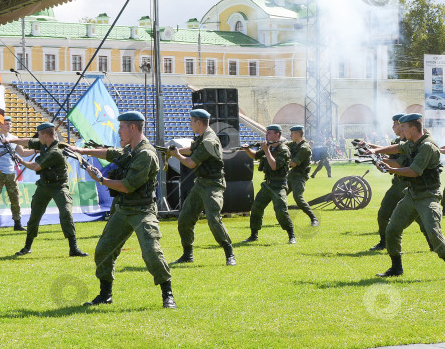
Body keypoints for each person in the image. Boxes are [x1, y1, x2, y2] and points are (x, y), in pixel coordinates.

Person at [71, 111, 176, 309]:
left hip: (142, 210)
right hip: (122, 209)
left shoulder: (146, 154)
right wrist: (82, 152)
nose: (118, 132)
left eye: (121, 127)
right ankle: (105, 294)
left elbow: (127, 185)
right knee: (103, 250)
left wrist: (101, 180)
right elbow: (112, 153)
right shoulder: (131, 149)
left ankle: (167, 294)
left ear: (133, 128)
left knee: (151, 252)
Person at [369, 113, 445, 280]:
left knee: (434, 233)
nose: (401, 130)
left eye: (404, 127)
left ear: (413, 129)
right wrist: (375, 150)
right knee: (392, 230)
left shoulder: (427, 146)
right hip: (412, 195)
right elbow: (399, 148)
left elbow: (414, 171)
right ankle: (396, 268)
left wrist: (390, 169)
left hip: (428, 197)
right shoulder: (413, 143)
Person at [7, 123, 88, 257]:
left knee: (66, 213)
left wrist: (20, 160)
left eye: (39, 134)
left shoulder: (55, 151)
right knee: (35, 216)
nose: (37, 137)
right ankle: (27, 247)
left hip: (58, 187)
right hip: (44, 186)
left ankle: (73, 248)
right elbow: (28, 141)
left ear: (45, 135)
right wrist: (11, 140)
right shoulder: (44, 144)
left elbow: (36, 166)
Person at [168, 108, 236, 266]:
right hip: (201, 183)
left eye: (191, 121)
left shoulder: (208, 141)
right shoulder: (203, 137)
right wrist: (173, 151)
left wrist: (177, 155)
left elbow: (191, 163)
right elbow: (192, 150)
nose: (190, 124)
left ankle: (229, 253)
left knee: (214, 219)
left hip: (213, 185)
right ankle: (187, 255)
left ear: (198, 122)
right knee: (185, 219)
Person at [242, 124, 296, 244]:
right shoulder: (269, 147)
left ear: (277, 134)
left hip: (279, 185)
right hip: (268, 185)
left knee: (281, 210)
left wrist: (266, 150)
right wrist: (247, 149)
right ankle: (253, 235)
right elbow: (255, 155)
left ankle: (291, 235)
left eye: (269, 133)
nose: (266, 135)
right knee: (256, 208)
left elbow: (274, 166)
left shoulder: (284, 150)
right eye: (266, 133)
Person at [0, 116, 31, 233]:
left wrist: (36, 151)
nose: (9, 126)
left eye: (10, 124)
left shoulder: (14, 138)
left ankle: (17, 223)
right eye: (6, 124)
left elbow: (22, 153)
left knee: (15, 198)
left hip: (11, 173)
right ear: (0, 124)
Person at [367, 114, 408, 251]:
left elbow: (397, 164)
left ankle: (434, 245)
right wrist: (370, 148)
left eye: (395, 124)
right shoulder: (397, 140)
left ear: (402, 126)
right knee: (383, 213)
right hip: (397, 184)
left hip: (411, 186)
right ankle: (384, 242)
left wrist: (379, 159)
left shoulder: (410, 143)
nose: (393, 127)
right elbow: (388, 153)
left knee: (422, 219)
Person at [287, 125, 319, 227]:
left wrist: (282, 158)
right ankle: (284, 218)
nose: (291, 135)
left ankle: (314, 218)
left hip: (300, 176)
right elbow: (284, 144)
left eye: (292, 134)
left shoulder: (305, 148)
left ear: (297, 134)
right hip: (292, 175)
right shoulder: (294, 144)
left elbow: (293, 163)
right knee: (280, 195)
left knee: (298, 197)